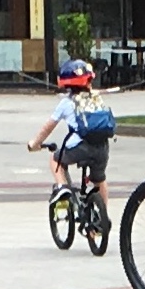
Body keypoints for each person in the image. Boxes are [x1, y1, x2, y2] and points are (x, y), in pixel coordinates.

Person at [27, 60, 112, 217]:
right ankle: (102, 219)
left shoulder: (66, 102)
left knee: (55, 160)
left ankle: (63, 188)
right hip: (102, 147)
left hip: (81, 147)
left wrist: (35, 143)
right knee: (99, 179)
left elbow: (48, 127)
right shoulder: (97, 98)